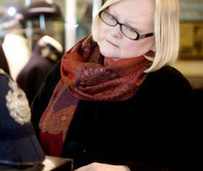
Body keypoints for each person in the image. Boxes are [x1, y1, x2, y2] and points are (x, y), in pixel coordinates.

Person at [30, 0, 203, 171]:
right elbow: (29, 137)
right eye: (112, 17)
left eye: (131, 29)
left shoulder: (170, 88)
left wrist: (126, 170)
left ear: (157, 40)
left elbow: (187, 161)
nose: (114, 32)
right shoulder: (68, 68)